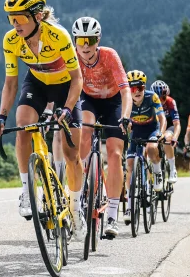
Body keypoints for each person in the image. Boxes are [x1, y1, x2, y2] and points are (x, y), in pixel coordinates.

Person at [0, 0, 86, 240]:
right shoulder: (11, 40)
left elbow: (78, 79)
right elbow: (10, 83)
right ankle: (26, 189)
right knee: (22, 127)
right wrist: (1, 116)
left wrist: (67, 108)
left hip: (66, 86)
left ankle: (76, 208)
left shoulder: (59, 36)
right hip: (37, 84)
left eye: (20, 18)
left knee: (71, 154)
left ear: (38, 16)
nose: (15, 24)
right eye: (10, 18)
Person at [72, 16, 131, 237]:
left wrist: (125, 116)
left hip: (113, 102)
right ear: (75, 40)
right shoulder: (73, 56)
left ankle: (113, 215)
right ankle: (84, 177)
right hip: (89, 100)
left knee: (115, 153)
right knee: (85, 130)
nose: (85, 46)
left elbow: (126, 91)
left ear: (98, 40)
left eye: (90, 40)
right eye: (80, 40)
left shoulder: (109, 55)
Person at [122, 70, 166, 224]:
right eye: (132, 89)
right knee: (129, 165)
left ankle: (157, 173)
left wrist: (161, 132)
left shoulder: (151, 96)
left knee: (152, 148)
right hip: (136, 132)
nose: (136, 92)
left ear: (144, 87)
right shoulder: (126, 100)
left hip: (151, 129)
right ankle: (129, 206)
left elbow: (162, 117)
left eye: (139, 88)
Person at [150, 80, 180, 183]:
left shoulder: (170, 102)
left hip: (169, 126)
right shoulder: (150, 101)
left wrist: (175, 137)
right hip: (155, 126)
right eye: (158, 98)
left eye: (163, 97)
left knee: (167, 139)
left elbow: (177, 124)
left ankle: (172, 170)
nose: (161, 101)